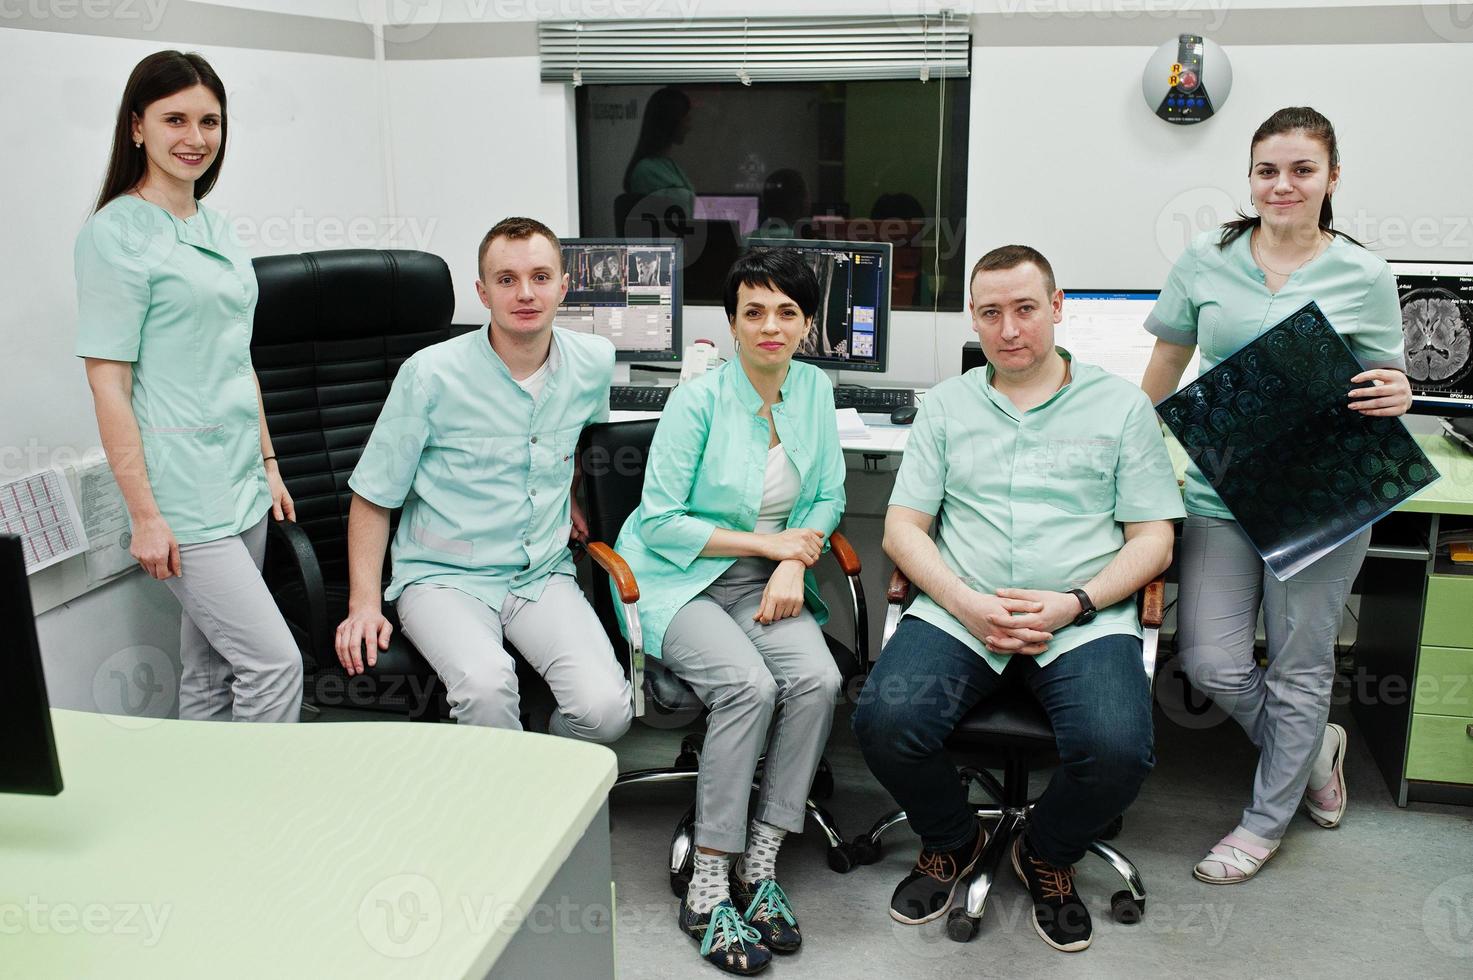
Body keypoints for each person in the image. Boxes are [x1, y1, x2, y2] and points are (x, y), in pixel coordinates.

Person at [853, 245, 1184, 953]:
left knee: (1118, 750)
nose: (1008, 329)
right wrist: (965, 603)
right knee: (883, 722)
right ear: (973, 319)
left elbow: (1152, 540)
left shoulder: (1120, 406)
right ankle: (952, 836)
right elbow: (902, 529)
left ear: (1056, 308)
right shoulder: (946, 405)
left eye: (1025, 309)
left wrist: (1074, 602)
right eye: (990, 313)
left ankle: (1046, 851)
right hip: (960, 612)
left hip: (1078, 619)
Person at [1140, 106, 1411, 884]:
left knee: (1299, 668)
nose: (1281, 184)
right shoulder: (1206, 256)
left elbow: (1382, 381)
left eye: (1301, 169)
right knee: (1214, 661)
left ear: (1331, 179)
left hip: (1320, 497)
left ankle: (1262, 823)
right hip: (1220, 494)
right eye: (1266, 169)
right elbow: (1166, 364)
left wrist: (1399, 390)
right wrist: (1125, 450)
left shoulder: (1364, 274)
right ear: (1249, 177)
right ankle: (1311, 750)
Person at [613, 248, 847, 974]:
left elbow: (828, 497)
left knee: (817, 681)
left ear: (807, 324)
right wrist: (771, 544)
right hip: (677, 581)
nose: (770, 327)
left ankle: (762, 864)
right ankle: (708, 881)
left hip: (759, 581)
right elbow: (659, 521)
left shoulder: (812, 389)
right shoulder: (697, 400)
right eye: (754, 313)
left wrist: (786, 561)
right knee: (748, 685)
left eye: (786, 313)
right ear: (733, 323)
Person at [334, 217, 632, 743]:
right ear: (483, 291)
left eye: (541, 277)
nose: (525, 293)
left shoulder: (593, 361)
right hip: (443, 576)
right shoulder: (430, 375)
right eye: (506, 279)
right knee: (488, 689)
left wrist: (568, 495)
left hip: (540, 571)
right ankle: (501, 812)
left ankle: (541, 776)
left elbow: (578, 442)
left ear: (564, 287)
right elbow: (373, 495)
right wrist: (363, 604)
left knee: (607, 711)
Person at [76, 51, 303, 723]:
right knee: (273, 662)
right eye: (175, 118)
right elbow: (108, 385)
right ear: (137, 126)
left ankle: (207, 812)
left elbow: (240, 358)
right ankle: (266, 817)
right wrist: (144, 515)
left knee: (209, 663)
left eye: (210, 121)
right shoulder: (113, 235)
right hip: (179, 491)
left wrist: (269, 464)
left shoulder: (216, 227)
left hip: (241, 479)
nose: (195, 138)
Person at [623, 87, 696, 218]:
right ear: (671, 121)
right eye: (687, 119)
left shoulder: (667, 165)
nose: (689, 126)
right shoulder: (646, 171)